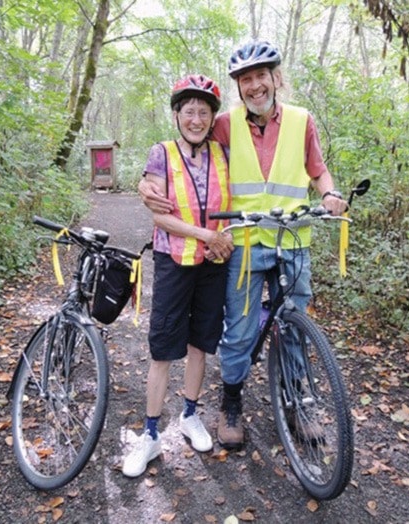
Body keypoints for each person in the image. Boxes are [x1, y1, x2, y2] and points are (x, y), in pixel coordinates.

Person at [138, 41, 347, 450]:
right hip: (245, 244)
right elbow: (185, 144)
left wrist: (330, 194)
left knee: (294, 331)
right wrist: (146, 184)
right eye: (246, 80)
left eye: (260, 77)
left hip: (292, 241)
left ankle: (297, 403)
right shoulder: (225, 124)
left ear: (275, 79)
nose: (254, 86)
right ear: (239, 87)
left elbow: (318, 170)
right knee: (239, 331)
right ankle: (230, 403)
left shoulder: (303, 121)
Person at [122, 74, 234, 478]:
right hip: (174, 261)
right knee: (163, 347)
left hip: (213, 265)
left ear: (212, 118)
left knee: (201, 342)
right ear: (176, 115)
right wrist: (206, 234)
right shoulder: (161, 153)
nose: (197, 118)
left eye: (204, 112)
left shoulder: (223, 152)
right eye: (189, 111)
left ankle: (189, 414)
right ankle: (150, 434)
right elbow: (158, 213)